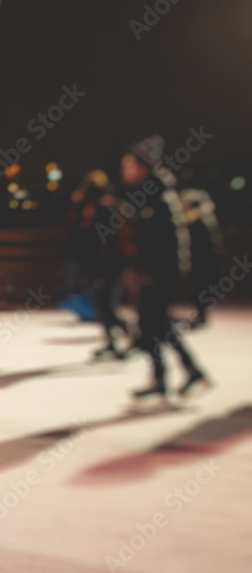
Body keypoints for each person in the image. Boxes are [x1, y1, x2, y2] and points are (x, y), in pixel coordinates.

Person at [119, 136, 209, 398]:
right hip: (154, 272)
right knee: (156, 325)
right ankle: (180, 374)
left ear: (142, 167)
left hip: (160, 272)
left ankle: (179, 374)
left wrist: (150, 272)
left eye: (128, 165)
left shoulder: (158, 197)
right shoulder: (149, 195)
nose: (124, 171)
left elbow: (162, 241)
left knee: (152, 323)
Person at [75, 170, 134, 359]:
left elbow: (101, 237)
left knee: (104, 302)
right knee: (103, 302)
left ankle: (132, 333)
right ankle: (112, 341)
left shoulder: (102, 205)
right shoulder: (103, 203)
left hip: (105, 261)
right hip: (104, 260)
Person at [179, 187, 224, 328]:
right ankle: (201, 313)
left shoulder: (198, 218)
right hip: (205, 258)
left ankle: (201, 314)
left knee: (200, 286)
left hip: (203, 259)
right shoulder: (205, 216)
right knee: (201, 287)